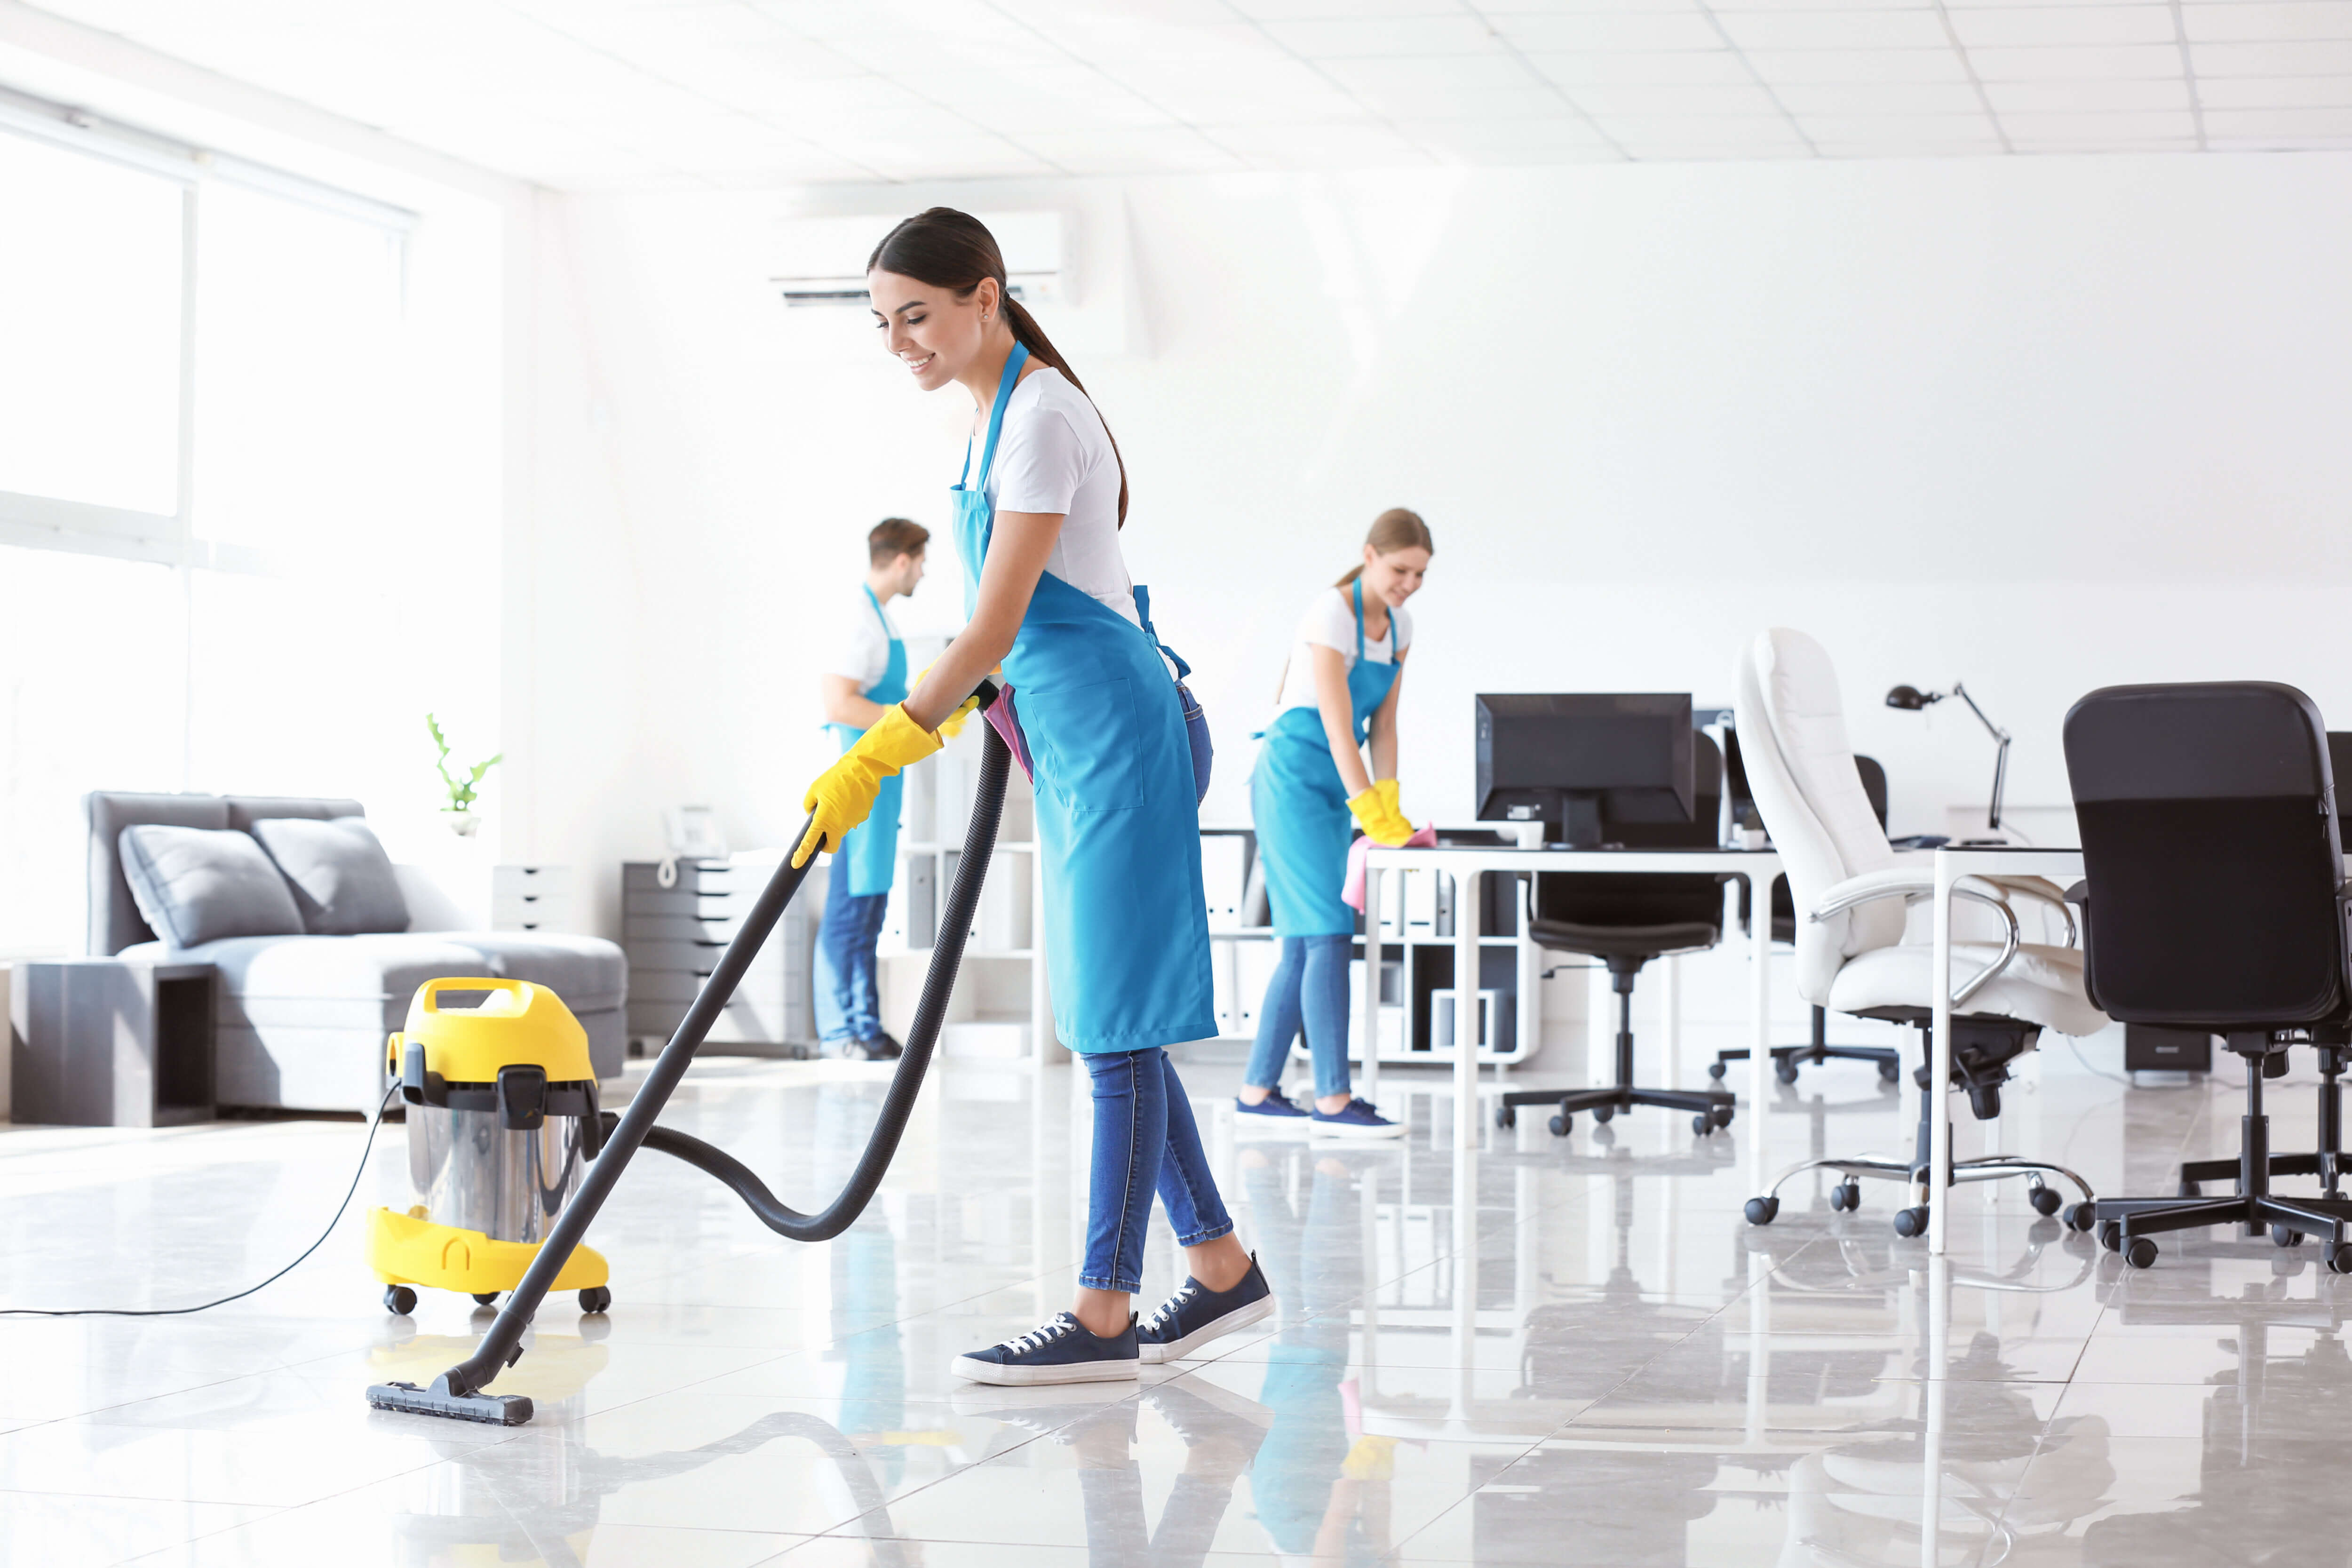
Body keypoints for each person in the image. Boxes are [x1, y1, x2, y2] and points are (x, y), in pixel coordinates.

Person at [795, 207, 1270, 1385]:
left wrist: (880, 750)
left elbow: (998, 621)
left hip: (1119, 734)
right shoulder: (985, 423)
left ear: (986, 297)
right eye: (883, 322)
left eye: (918, 314)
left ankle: (1103, 1312)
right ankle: (1219, 1271)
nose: (900, 340)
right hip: (1068, 736)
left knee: (1107, 1030)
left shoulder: (1043, 416)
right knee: (1116, 1020)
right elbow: (1004, 629)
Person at [1238, 509, 1434, 1138]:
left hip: (1338, 783)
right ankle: (1332, 1098)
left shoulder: (1399, 626)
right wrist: (1367, 807)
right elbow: (1332, 719)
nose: (1409, 583)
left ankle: (1258, 1089)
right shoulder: (1331, 612)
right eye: (1401, 569)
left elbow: (1384, 726)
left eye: (1421, 574)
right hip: (1295, 776)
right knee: (1326, 931)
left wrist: (1390, 798)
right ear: (1371, 555)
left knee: (1305, 938)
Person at [812, 517, 930, 1061]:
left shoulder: (880, 619)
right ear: (902, 560)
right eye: (922, 560)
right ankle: (841, 1031)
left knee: (870, 906)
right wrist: (903, 722)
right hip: (857, 776)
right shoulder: (856, 619)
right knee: (849, 903)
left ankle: (865, 1023)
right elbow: (838, 703)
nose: (924, 572)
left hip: (883, 781)